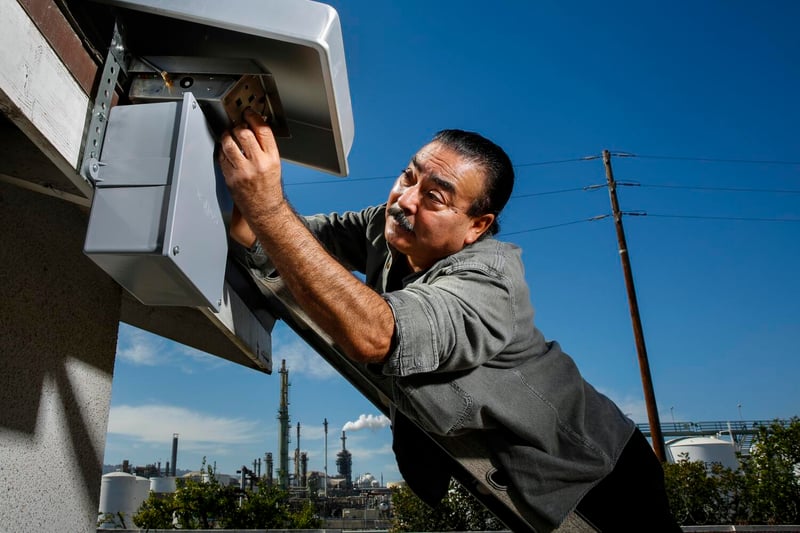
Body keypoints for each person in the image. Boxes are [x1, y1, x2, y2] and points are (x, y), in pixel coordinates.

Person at [219, 108, 682, 532]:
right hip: (500, 476)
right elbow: (272, 243)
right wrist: (241, 193)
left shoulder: (490, 281)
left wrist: (268, 206)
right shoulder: (385, 226)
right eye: (408, 176)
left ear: (477, 225)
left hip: (595, 474)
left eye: (435, 197)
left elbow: (377, 335)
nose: (405, 200)